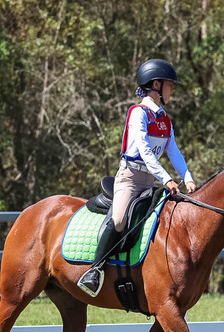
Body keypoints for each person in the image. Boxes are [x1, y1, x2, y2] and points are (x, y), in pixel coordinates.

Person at [77, 58, 197, 297]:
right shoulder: (138, 113)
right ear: (156, 85)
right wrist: (166, 179)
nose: (172, 89)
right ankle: (94, 270)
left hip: (150, 181)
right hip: (129, 179)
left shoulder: (164, 119)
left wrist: (188, 178)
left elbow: (174, 152)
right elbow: (144, 151)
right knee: (119, 220)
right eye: (169, 85)